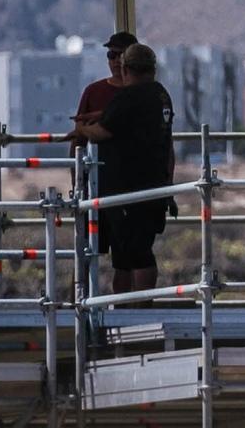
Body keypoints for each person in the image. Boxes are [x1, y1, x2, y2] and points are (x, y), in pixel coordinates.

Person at [67, 44, 176, 294]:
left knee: (136, 254)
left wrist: (81, 130)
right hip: (153, 182)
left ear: (126, 69)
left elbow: (104, 131)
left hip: (129, 187)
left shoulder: (130, 96)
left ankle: (138, 308)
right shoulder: (159, 94)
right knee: (126, 258)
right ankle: (130, 307)